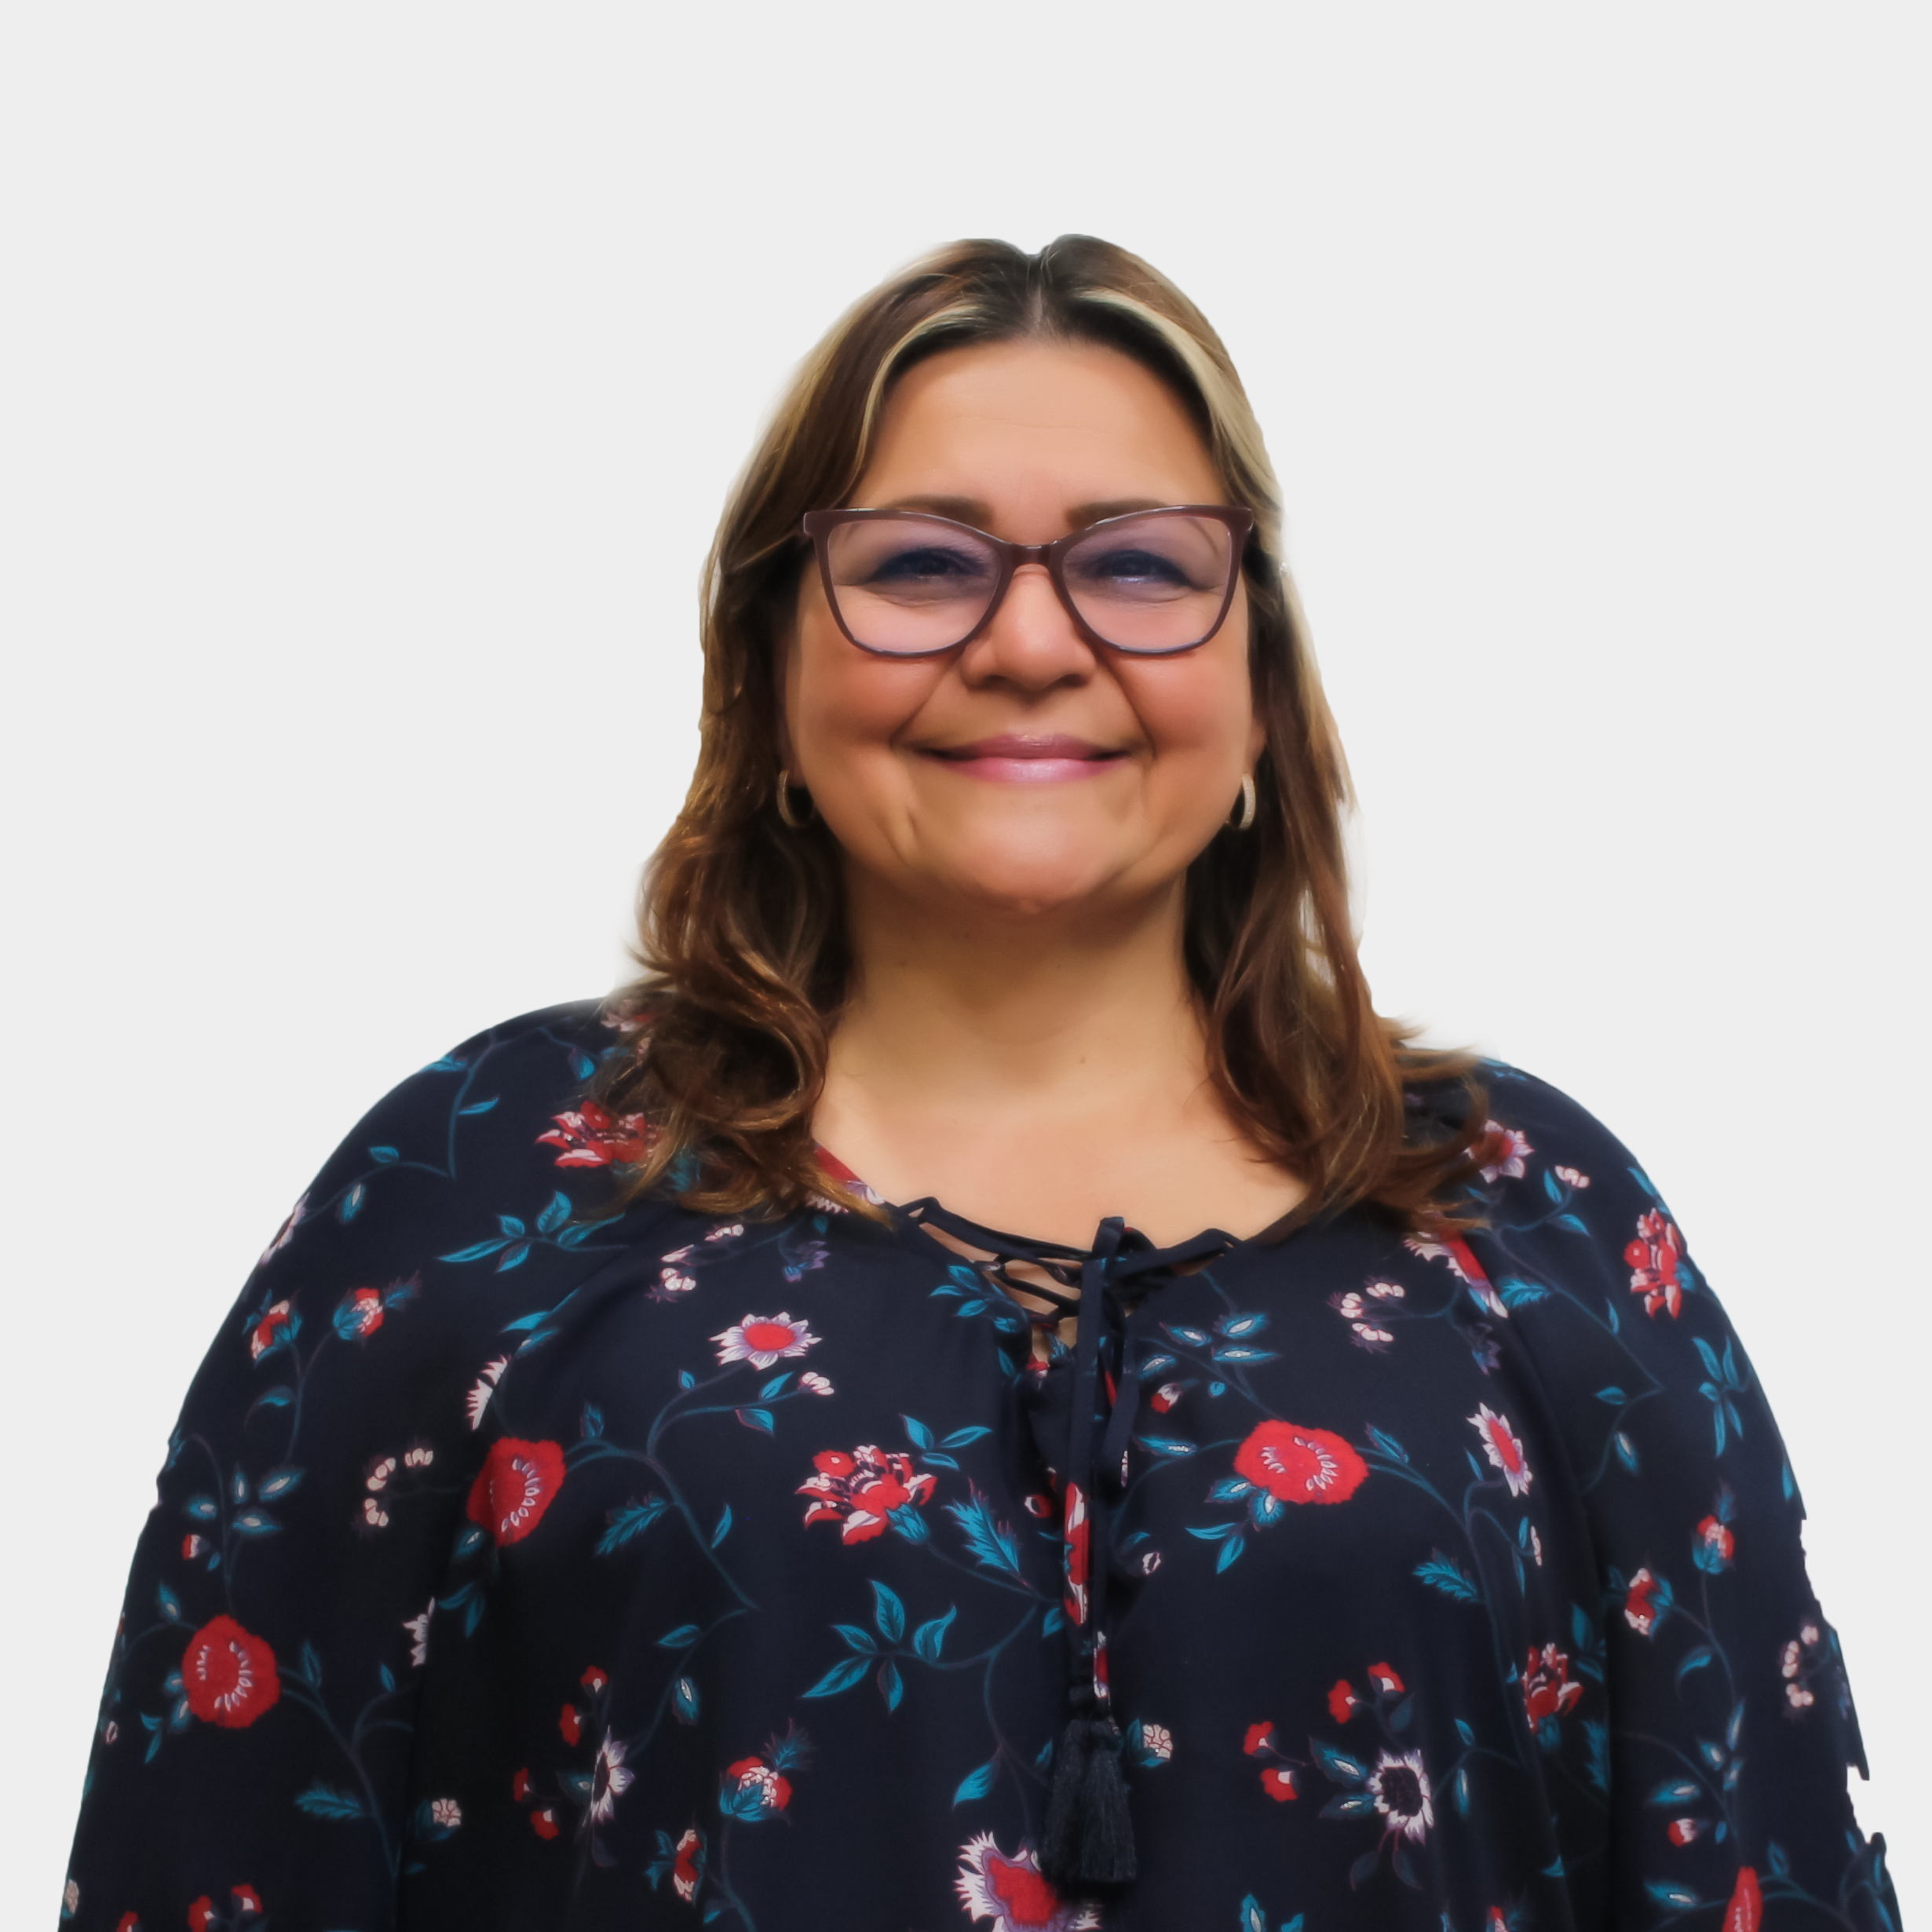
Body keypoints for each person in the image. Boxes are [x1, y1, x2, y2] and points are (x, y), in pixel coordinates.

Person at [61, 237, 1898, 1932]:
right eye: (923, 566)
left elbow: (1762, 1867)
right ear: (770, 670)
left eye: (1140, 565)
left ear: (1259, 682)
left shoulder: (1531, 1219)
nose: (1030, 644)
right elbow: (204, 1859)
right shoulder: (483, 1196)